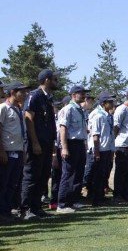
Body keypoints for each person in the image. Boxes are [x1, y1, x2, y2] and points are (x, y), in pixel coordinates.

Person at [20, 69, 58, 220]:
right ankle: (25, 209)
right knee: (31, 176)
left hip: (47, 143)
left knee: (43, 176)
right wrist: (35, 142)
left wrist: (53, 145)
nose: (57, 82)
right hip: (37, 144)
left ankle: (36, 207)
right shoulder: (34, 96)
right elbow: (29, 118)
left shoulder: (48, 98)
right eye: (55, 79)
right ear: (47, 80)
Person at [56, 84, 90, 214]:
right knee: (68, 174)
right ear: (73, 95)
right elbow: (63, 129)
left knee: (78, 173)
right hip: (71, 143)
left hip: (80, 143)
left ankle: (73, 200)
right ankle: (62, 204)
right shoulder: (68, 109)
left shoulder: (80, 110)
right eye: (81, 93)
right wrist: (64, 147)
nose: (84, 95)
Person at [0, 81, 30, 224]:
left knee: (13, 184)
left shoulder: (18, 110)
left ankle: (7, 211)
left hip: (18, 151)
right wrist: (2, 151)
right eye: (21, 91)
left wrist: (23, 152)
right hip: (7, 151)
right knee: (3, 184)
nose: (24, 94)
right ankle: (2, 213)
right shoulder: (3, 108)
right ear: (12, 92)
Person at [84, 91, 116, 206]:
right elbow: (95, 135)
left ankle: (100, 196)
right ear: (104, 103)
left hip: (106, 149)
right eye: (110, 102)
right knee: (97, 175)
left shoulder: (107, 115)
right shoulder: (98, 115)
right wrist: (96, 152)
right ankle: (95, 198)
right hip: (99, 149)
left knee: (103, 175)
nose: (113, 104)